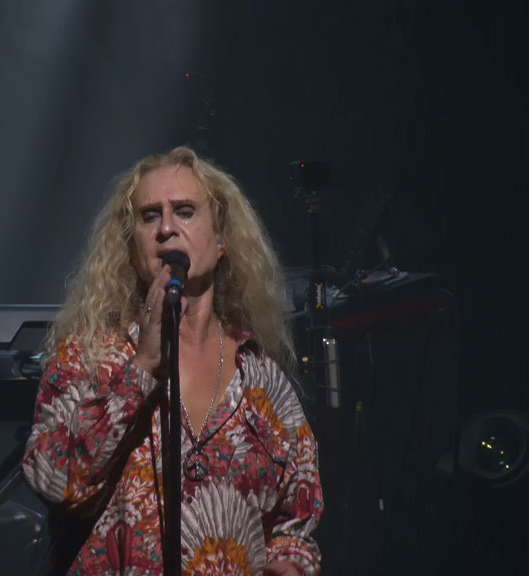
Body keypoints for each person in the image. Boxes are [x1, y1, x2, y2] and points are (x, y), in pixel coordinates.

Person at [22, 146, 323, 575]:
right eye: (149, 217)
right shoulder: (87, 357)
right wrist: (142, 368)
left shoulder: (260, 378)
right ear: (132, 247)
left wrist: (290, 563)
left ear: (221, 240)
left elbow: (298, 519)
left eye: (184, 211)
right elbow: (53, 478)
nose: (166, 229)